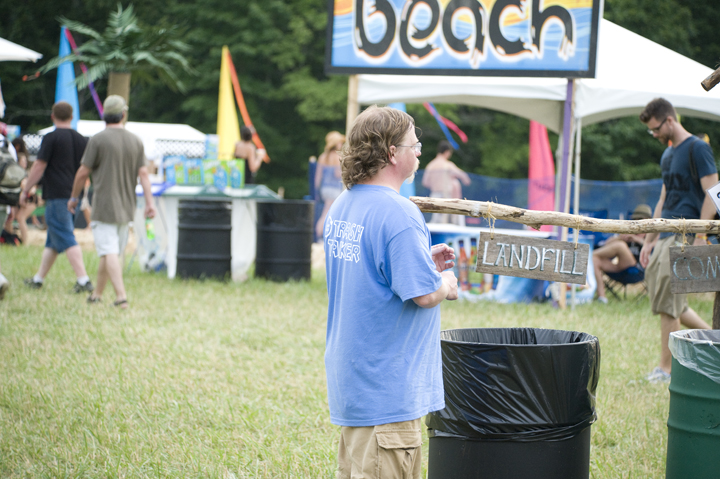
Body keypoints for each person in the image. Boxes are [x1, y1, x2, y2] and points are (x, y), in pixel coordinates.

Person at [323, 106, 459, 478]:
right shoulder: (399, 212)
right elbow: (423, 296)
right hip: (388, 395)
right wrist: (444, 284)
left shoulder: (344, 203)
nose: (420, 151)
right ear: (392, 153)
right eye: (414, 145)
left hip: (356, 385)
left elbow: (373, 272)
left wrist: (420, 262)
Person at [638, 98, 716, 383]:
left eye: (656, 128)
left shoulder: (698, 148)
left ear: (669, 120)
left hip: (686, 235)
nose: (654, 134)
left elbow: (713, 192)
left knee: (669, 303)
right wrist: (650, 240)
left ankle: (666, 369)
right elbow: (663, 199)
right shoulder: (667, 154)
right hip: (664, 235)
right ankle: (715, 344)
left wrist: (701, 234)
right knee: (672, 303)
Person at [68, 95, 156, 309]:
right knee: (110, 253)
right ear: (123, 114)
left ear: (104, 115)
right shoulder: (136, 140)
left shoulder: (98, 140)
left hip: (104, 206)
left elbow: (83, 172)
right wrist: (150, 203)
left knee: (109, 252)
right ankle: (97, 295)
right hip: (126, 207)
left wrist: (74, 197)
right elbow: (144, 174)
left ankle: (121, 297)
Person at [20, 101, 93, 292]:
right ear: (72, 117)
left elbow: (39, 166)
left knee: (66, 235)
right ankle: (38, 279)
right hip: (75, 195)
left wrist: (26, 189)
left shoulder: (51, 138)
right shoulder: (81, 139)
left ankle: (83, 280)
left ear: (53, 116)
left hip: (57, 195)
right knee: (53, 240)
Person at [593, 204, 652, 303]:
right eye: (635, 220)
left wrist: (636, 239)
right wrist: (619, 238)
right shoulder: (629, 232)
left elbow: (653, 249)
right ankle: (602, 297)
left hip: (637, 270)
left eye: (640, 220)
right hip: (620, 269)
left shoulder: (651, 235)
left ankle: (590, 254)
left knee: (620, 246)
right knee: (595, 260)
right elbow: (605, 244)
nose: (637, 223)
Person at [422, 140, 471, 225]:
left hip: (434, 196)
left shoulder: (430, 166)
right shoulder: (448, 165)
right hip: (447, 196)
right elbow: (464, 177)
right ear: (447, 152)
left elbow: (425, 182)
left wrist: (435, 184)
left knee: (435, 221)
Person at [314, 131, 345, 240]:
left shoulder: (323, 156)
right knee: (328, 213)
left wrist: (317, 191)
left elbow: (318, 176)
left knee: (326, 211)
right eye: (340, 142)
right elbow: (338, 174)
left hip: (325, 189)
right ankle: (320, 236)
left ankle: (321, 236)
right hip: (334, 189)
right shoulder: (338, 157)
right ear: (336, 144)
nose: (341, 144)